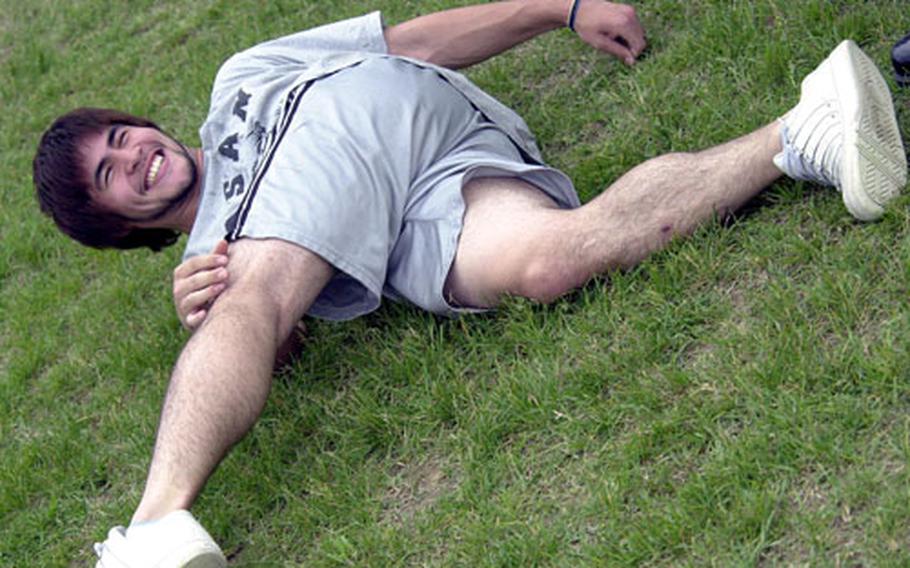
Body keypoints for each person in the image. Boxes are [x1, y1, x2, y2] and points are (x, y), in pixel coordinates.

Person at [31, 0, 906, 565]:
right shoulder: (214, 262)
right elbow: (280, 332)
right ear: (119, 228)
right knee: (548, 262)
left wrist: (558, 9)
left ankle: (154, 525)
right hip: (407, 211)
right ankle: (803, 131)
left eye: (121, 137)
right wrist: (217, 313)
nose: (136, 156)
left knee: (252, 296)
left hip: (366, 126)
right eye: (112, 176)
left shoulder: (241, 89)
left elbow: (408, 41)